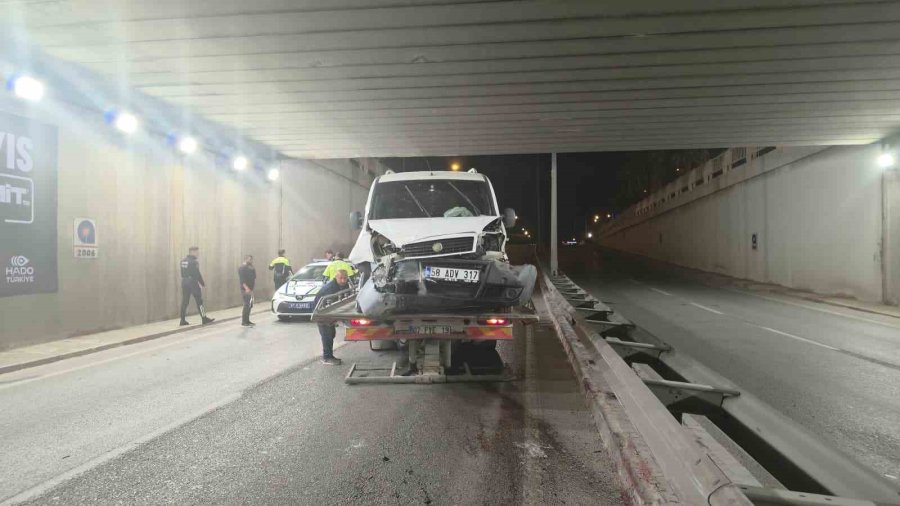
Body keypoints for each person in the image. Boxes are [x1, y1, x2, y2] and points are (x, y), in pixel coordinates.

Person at [315, 269, 350, 365]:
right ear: (336, 277)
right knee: (327, 335)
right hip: (322, 313)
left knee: (331, 334)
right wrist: (335, 319)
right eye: (341, 278)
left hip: (329, 314)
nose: (343, 280)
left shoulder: (343, 285)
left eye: (345, 278)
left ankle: (329, 356)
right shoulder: (330, 289)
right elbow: (329, 306)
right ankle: (326, 358)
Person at [179, 246, 214, 326]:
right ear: (192, 252)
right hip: (192, 282)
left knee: (185, 301)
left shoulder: (183, 261)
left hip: (184, 281)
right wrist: (202, 283)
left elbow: (182, 272)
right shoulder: (194, 262)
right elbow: (197, 274)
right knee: (199, 301)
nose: (198, 254)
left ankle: (182, 320)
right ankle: (204, 318)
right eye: (197, 252)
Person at [238, 255, 256, 327]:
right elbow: (242, 280)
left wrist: (252, 268)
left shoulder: (250, 268)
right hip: (245, 289)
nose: (251, 261)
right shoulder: (242, 268)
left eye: (251, 259)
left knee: (250, 305)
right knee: (246, 305)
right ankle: (244, 321)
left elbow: (254, 277)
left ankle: (247, 320)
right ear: (245, 260)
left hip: (250, 289)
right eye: (249, 259)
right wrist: (246, 288)